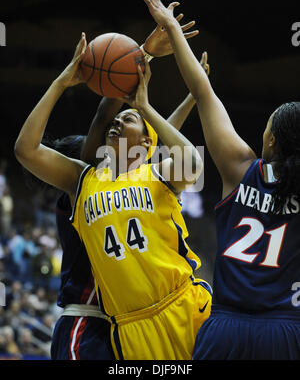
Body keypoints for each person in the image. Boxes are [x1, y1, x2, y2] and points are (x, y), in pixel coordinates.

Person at [14, 22, 212, 359]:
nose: (117, 122)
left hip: (180, 304)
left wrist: (187, 97)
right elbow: (27, 150)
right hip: (117, 321)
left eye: (128, 119)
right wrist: (62, 81)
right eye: (118, 121)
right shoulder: (84, 178)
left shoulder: (153, 173)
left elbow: (180, 158)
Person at [141, 0, 300, 360]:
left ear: (272, 141)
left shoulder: (240, 166)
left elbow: (202, 91)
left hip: (226, 326)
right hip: (285, 329)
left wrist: (173, 28)